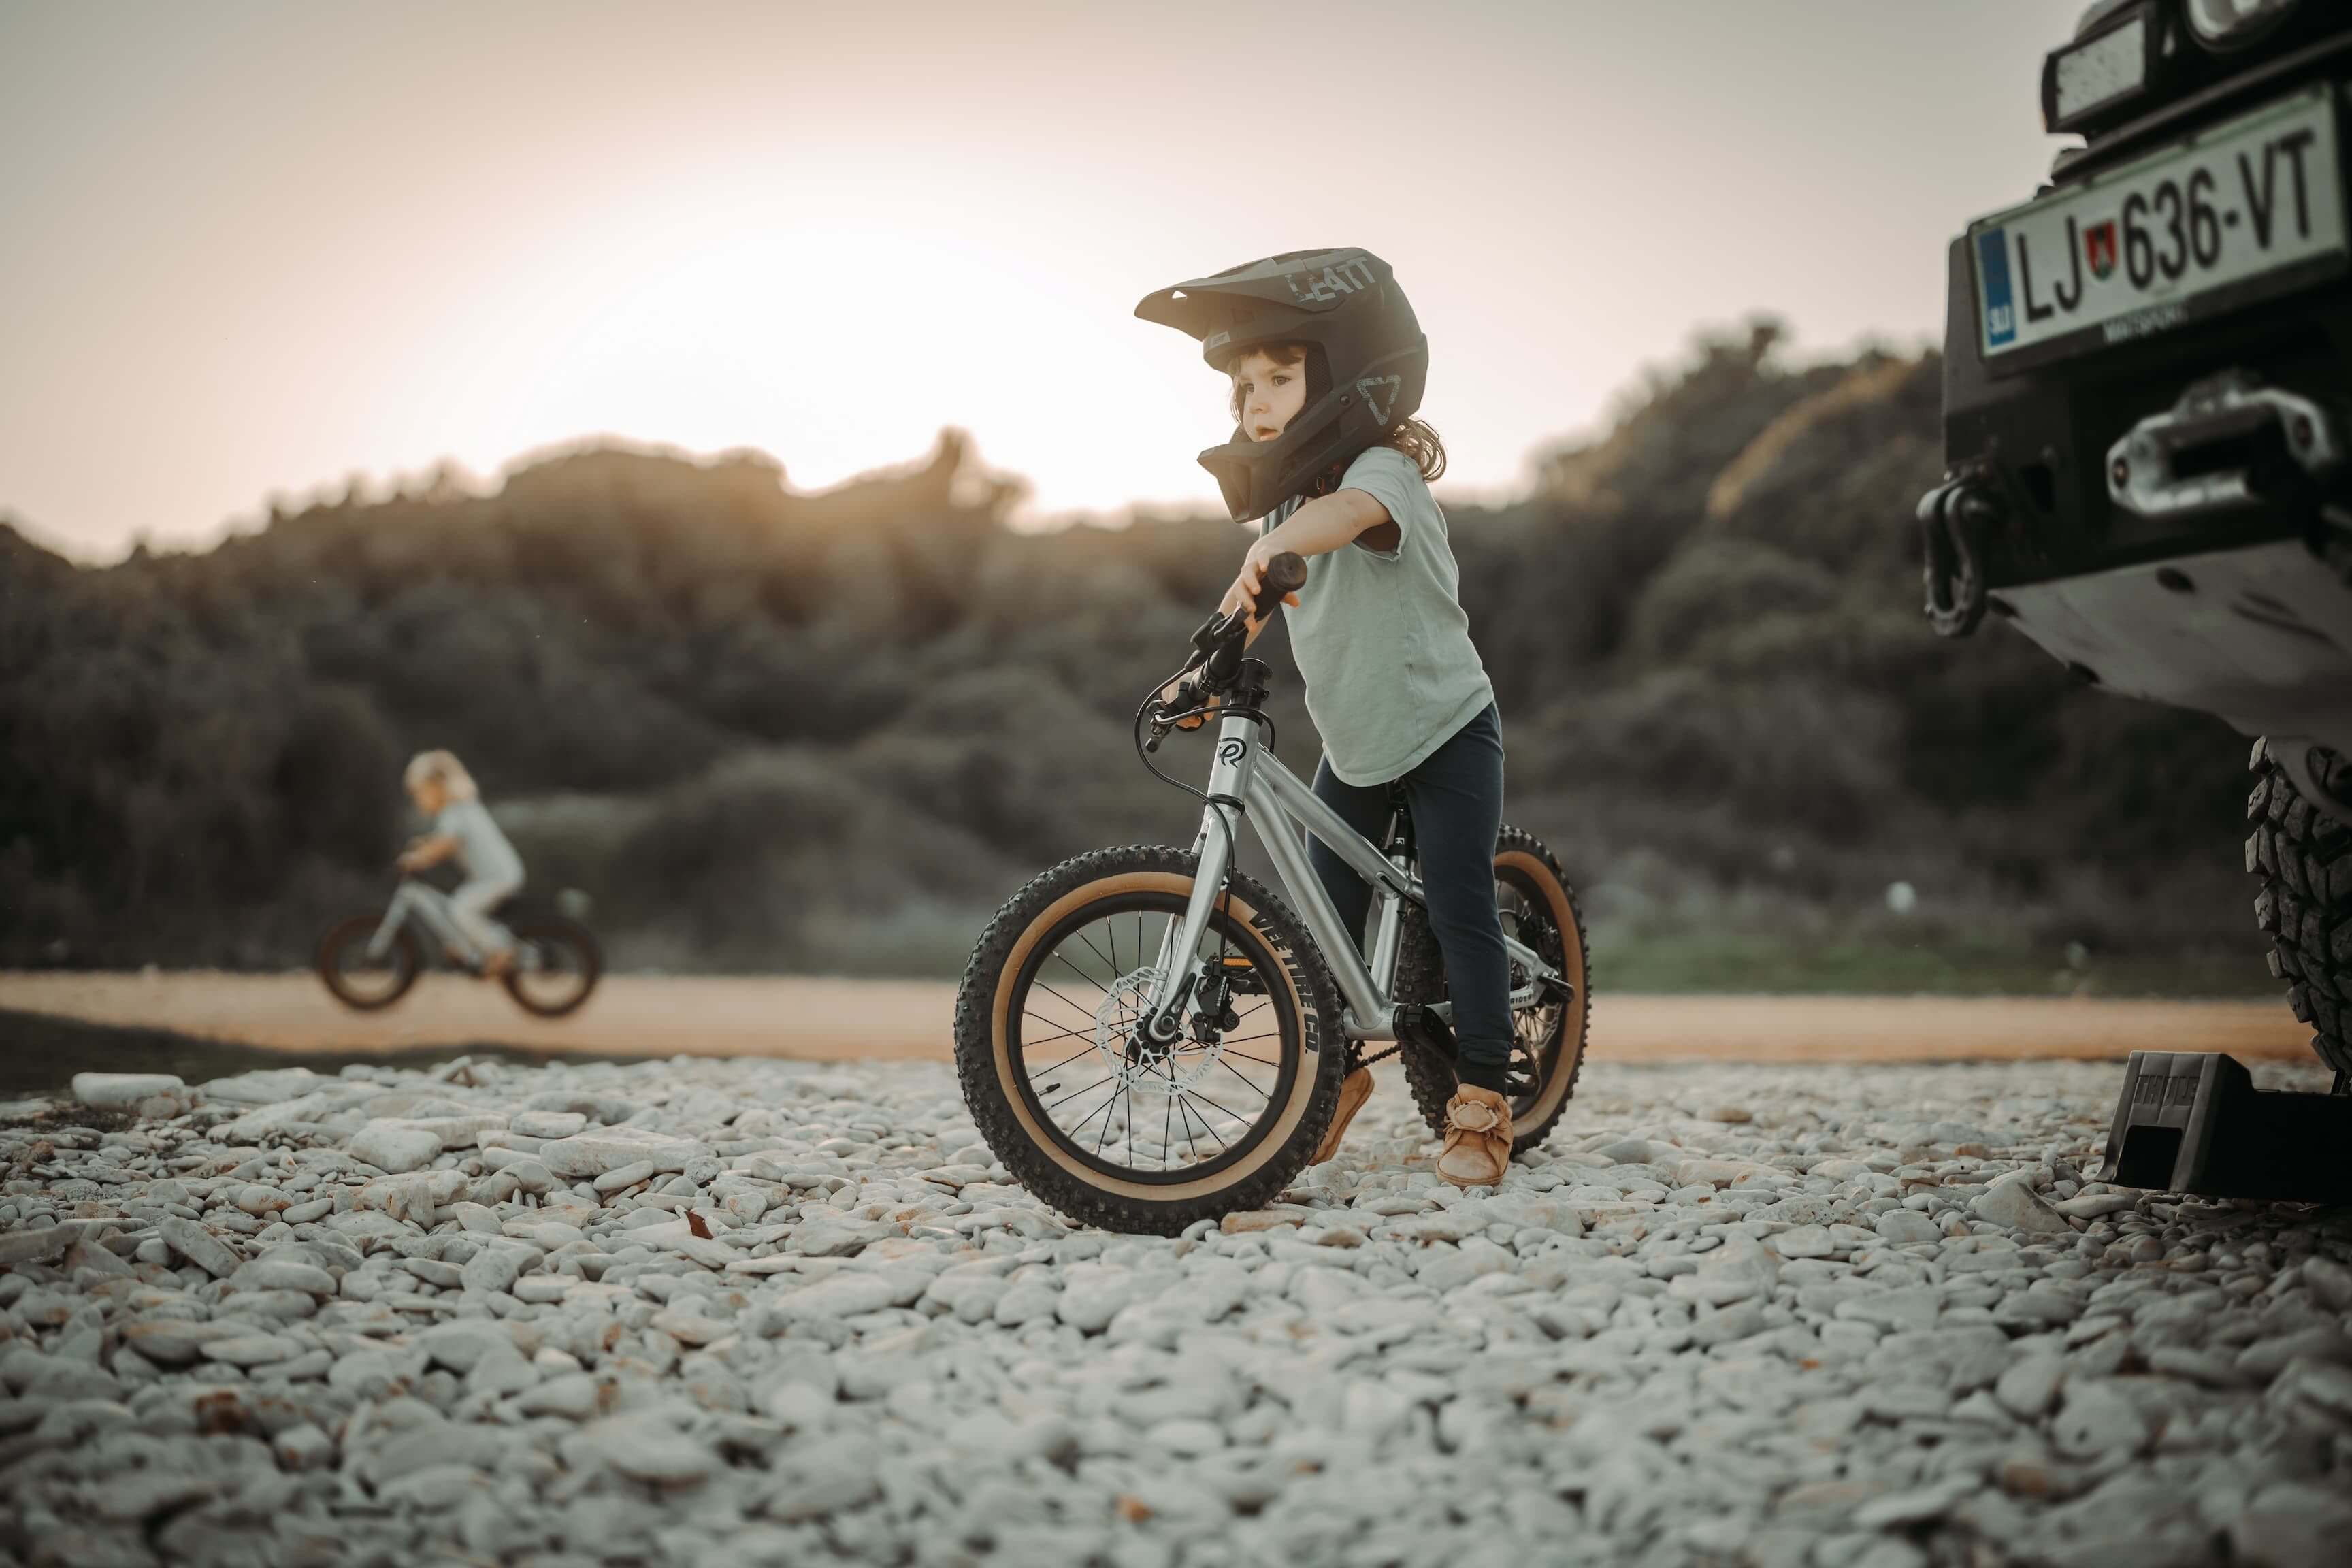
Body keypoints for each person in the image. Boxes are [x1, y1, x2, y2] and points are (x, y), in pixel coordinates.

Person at [1137, 249, 1516, 1188]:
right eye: (1243, 387)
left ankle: (1482, 1105)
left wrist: (1277, 550)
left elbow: (1340, 518)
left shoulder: (1383, 474)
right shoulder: (1280, 517)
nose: (1256, 401)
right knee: (1322, 932)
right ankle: (1334, 1079)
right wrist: (1202, 663)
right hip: (1357, 748)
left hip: (1446, 730)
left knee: (1462, 908)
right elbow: (1254, 592)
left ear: (1343, 375)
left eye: (1279, 377)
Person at [398, 749, 525, 977]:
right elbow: (445, 839)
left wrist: (420, 857)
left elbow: (448, 843)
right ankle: (468, 947)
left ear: (436, 787)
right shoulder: (462, 807)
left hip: (498, 878)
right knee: (458, 903)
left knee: (461, 909)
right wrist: (425, 844)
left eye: (420, 793)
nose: (418, 800)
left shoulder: (455, 811)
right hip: (495, 875)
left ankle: (501, 949)